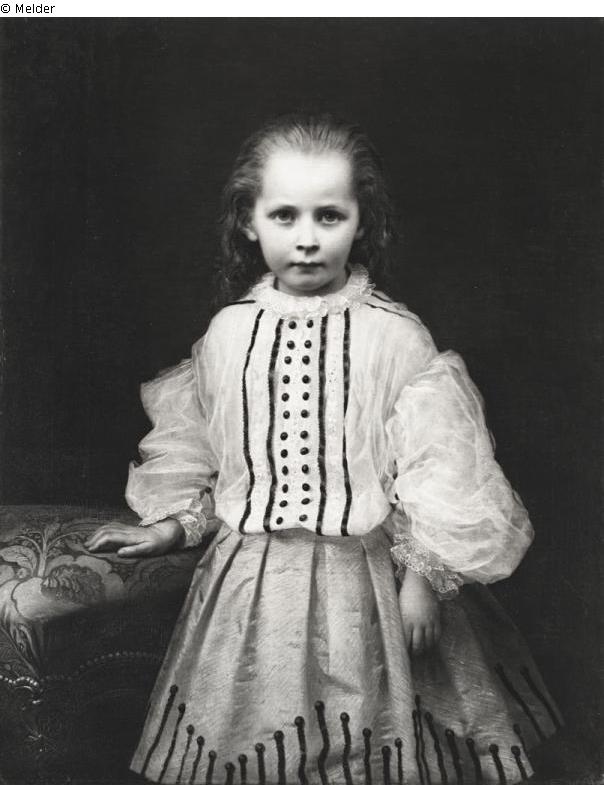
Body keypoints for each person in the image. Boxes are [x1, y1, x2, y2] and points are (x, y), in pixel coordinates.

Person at [85, 114, 561, 785]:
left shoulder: (396, 336)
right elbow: (208, 452)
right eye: (284, 215)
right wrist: (171, 525)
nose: (306, 238)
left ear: (361, 224)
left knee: (372, 743)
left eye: (329, 216)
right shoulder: (229, 333)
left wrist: (422, 580)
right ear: (249, 222)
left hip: (368, 580)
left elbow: (440, 465)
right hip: (251, 587)